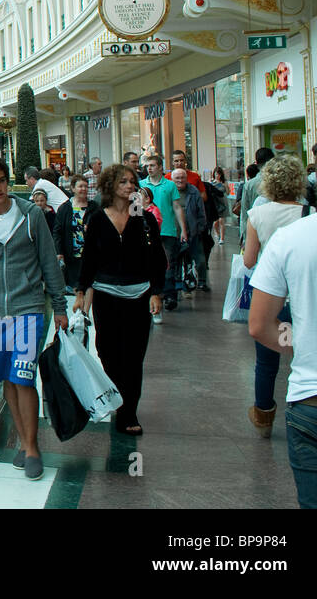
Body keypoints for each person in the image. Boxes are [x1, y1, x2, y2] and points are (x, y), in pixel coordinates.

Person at [0, 155, 67, 481]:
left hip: (29, 308)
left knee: (23, 377)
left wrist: (59, 306)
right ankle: (23, 439)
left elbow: (49, 262)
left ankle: (32, 448)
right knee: (6, 379)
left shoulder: (31, 216)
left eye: (2, 180)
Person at [248, 141, 317, 509]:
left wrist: (300, 345)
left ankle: (262, 409)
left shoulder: (292, 237)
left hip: (313, 400)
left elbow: (259, 325)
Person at [73, 164, 166, 433]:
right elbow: (89, 258)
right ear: (110, 186)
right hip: (106, 295)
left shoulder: (143, 219)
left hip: (139, 295)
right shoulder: (99, 218)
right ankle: (117, 398)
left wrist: (157, 292)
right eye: (124, 182)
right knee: (108, 352)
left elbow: (157, 259)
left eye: (132, 182)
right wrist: (81, 291)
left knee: (134, 357)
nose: (130, 186)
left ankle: (128, 413)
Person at [242, 154, 310, 439]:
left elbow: (248, 260)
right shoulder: (310, 213)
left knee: (267, 363)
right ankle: (303, 413)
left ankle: (264, 415)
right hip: (301, 299)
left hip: (270, 301)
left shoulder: (258, 215)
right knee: (301, 356)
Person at [140, 153, 187, 313]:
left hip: (167, 230)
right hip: (146, 231)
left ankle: (169, 294)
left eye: (152, 165)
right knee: (148, 263)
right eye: (147, 166)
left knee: (167, 264)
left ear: (160, 167)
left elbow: (177, 207)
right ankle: (151, 294)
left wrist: (183, 230)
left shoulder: (170, 185)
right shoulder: (141, 185)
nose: (149, 168)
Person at [54, 174, 98, 293]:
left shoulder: (94, 207)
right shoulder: (65, 208)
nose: (84, 189)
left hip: (90, 254)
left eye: (86, 186)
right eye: (80, 186)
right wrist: (59, 251)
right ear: (73, 188)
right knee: (75, 287)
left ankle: (85, 310)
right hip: (71, 255)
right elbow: (57, 232)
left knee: (89, 286)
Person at [171, 168, 208, 292]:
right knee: (175, 260)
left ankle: (202, 281)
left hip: (193, 232)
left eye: (183, 178)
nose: (180, 180)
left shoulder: (193, 191)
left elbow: (201, 211)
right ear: (172, 179)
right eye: (177, 178)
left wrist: (200, 228)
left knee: (200, 260)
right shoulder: (169, 191)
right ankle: (177, 281)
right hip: (174, 233)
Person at [237, 147, 275, 221]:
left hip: (255, 226)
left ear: (256, 163)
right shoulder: (280, 180)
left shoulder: (249, 185)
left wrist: (245, 231)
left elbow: (244, 214)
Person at [208, 166, 229, 244]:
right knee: (215, 222)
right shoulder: (211, 181)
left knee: (221, 221)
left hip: (222, 203)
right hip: (215, 203)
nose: (217, 176)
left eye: (219, 174)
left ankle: (222, 238)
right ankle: (217, 234)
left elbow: (228, 192)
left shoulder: (224, 182)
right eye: (216, 174)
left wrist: (224, 186)